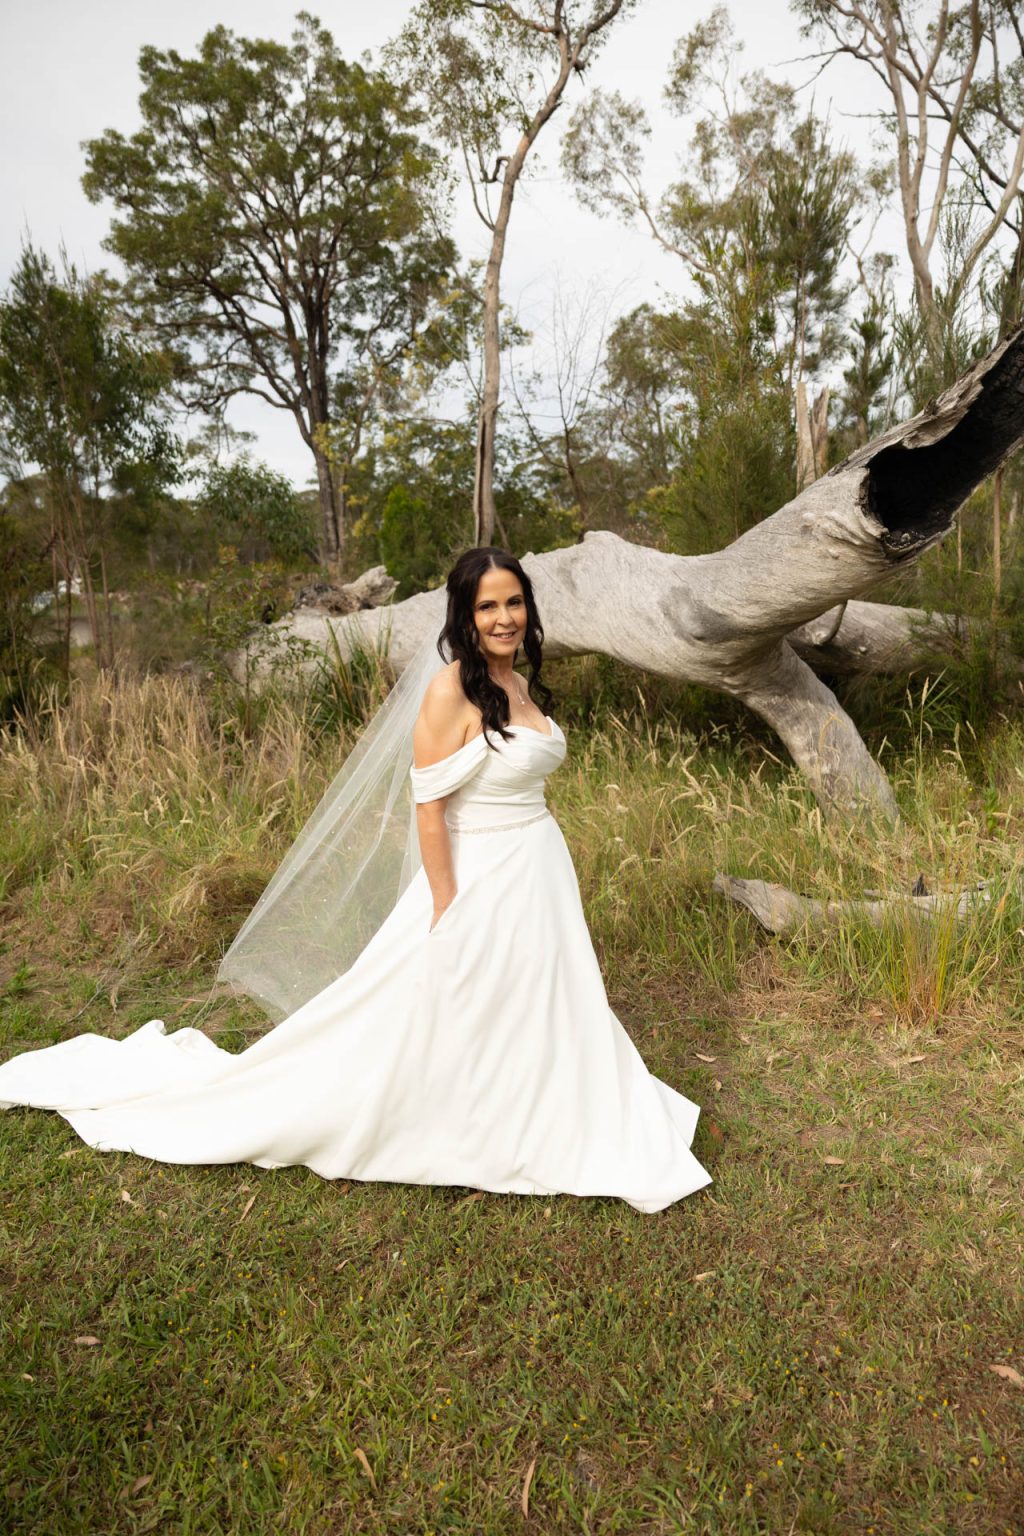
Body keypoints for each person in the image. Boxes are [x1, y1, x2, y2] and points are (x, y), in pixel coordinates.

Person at [0, 548, 712, 1213]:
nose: (504, 619)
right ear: (464, 616)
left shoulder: (517, 683)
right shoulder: (449, 692)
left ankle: (553, 1102)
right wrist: (446, 904)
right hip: (481, 874)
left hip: (538, 868)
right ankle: (456, 1119)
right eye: (488, 607)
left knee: (542, 996)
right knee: (434, 1008)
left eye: (514, 604)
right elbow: (427, 809)